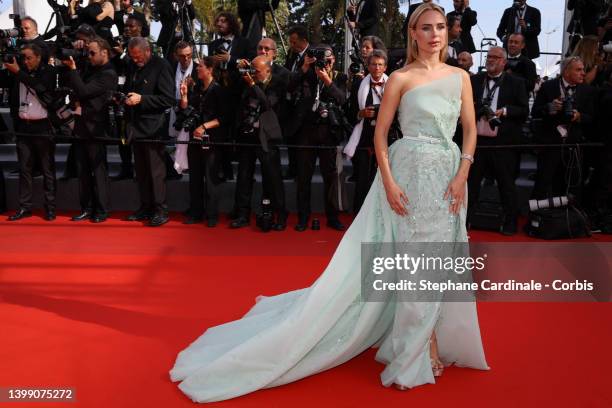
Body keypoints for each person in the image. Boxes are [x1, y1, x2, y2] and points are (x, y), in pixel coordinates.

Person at [170, 3, 488, 402]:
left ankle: (430, 338)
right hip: (407, 175)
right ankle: (416, 348)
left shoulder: (460, 77)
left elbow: (471, 129)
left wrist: (463, 173)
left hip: (448, 178)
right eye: (426, 28)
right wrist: (387, 182)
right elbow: (380, 134)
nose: (435, 34)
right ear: (412, 33)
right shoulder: (400, 78)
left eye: (440, 27)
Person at [467, 47, 529, 236]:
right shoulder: (475, 80)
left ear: (504, 61)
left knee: (506, 184)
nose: (490, 60)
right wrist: (479, 109)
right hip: (476, 142)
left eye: (495, 57)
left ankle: (510, 222)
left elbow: (524, 110)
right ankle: (465, 220)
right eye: (488, 57)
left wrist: (505, 111)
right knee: (471, 184)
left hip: (503, 143)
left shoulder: (516, 82)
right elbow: (464, 105)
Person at [293, 44, 347, 232]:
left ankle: (332, 217)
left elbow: (342, 99)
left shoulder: (340, 77)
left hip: (328, 134)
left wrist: (328, 81)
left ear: (334, 59)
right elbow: (290, 88)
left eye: (329, 59)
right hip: (306, 132)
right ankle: (303, 217)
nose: (326, 63)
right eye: (323, 59)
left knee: (330, 177)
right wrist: (305, 68)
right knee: (303, 177)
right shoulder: (306, 74)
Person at [63, 37, 118, 223]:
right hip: (81, 127)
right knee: (82, 170)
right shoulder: (89, 69)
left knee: (98, 170)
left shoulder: (109, 73)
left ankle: (102, 210)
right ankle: (86, 208)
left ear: (104, 52)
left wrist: (73, 71)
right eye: (88, 53)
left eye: (93, 53)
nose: (89, 56)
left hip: (96, 128)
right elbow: (76, 88)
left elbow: (84, 92)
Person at [230, 56, 288, 230]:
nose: (253, 74)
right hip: (247, 135)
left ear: (268, 70)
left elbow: (267, 103)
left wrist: (253, 85)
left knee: (273, 177)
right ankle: (242, 215)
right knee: (244, 176)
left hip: (266, 137)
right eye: (251, 69)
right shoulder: (246, 81)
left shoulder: (277, 83)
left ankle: (279, 214)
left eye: (257, 71)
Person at [124, 37, 175, 226]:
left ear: (148, 51)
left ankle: (161, 209)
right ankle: (145, 207)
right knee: (142, 171)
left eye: (138, 57)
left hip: (154, 127)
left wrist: (142, 99)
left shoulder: (161, 66)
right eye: (132, 57)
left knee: (155, 172)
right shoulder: (131, 65)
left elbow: (168, 98)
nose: (136, 60)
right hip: (135, 125)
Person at [3, 44, 57, 221]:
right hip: (23, 126)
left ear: (38, 57)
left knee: (47, 169)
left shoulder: (48, 71)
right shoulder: (17, 72)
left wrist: (19, 72)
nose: (25, 61)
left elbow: (41, 87)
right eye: (23, 58)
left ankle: (50, 207)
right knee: (24, 168)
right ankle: (24, 207)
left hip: (43, 125)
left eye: (28, 58)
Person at [531, 56, 595, 201]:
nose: (583, 73)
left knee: (568, 184)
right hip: (550, 144)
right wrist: (549, 108)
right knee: (542, 182)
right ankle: (534, 218)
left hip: (574, 145)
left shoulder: (588, 90)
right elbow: (535, 111)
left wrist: (579, 116)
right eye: (579, 70)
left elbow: (592, 118)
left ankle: (562, 219)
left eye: (583, 70)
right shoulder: (548, 86)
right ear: (566, 71)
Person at [179, 56, 229, 227]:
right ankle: (196, 212)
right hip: (195, 139)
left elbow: (223, 117)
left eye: (200, 66)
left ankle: (212, 214)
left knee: (211, 177)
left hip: (212, 140)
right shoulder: (198, 89)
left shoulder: (218, 90)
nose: (197, 69)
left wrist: (205, 126)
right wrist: (184, 95)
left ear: (210, 70)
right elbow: (187, 110)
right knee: (195, 178)